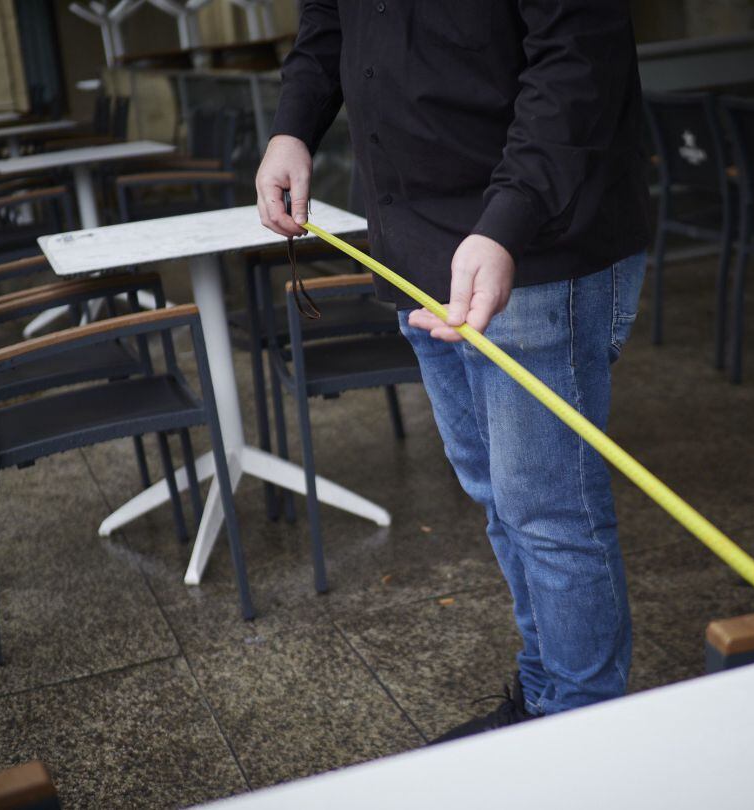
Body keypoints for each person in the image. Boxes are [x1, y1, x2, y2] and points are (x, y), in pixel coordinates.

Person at [256, 0, 651, 742]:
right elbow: (327, 25)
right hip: (414, 244)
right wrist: (292, 125)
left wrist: (507, 221)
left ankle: (584, 737)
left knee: (549, 510)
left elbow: (577, 56)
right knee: (500, 497)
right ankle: (546, 699)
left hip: (534, 241)